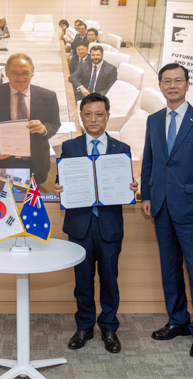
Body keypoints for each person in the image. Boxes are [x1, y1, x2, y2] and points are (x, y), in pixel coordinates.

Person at [141, 63, 193, 358]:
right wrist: (146, 195)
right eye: (166, 81)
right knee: (169, 269)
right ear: (160, 86)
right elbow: (149, 161)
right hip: (160, 206)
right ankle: (178, 320)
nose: (172, 86)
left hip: (192, 209)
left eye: (178, 81)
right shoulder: (153, 120)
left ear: (187, 85)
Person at [54, 93, 138, 354]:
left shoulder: (121, 149)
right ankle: (84, 327)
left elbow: (125, 184)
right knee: (83, 281)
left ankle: (110, 329)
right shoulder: (70, 147)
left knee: (110, 280)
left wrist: (132, 188)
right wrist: (59, 187)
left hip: (109, 226)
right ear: (81, 117)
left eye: (99, 114)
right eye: (88, 114)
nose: (93, 119)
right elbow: (62, 179)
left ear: (107, 116)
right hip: (80, 226)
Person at [0, 53, 61, 185]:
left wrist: (44, 128)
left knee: (31, 201)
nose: (21, 78)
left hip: (35, 161)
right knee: (2, 198)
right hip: (1, 160)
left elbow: (55, 123)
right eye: (15, 73)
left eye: (26, 73)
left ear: (33, 73)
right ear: (7, 73)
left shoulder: (48, 96)